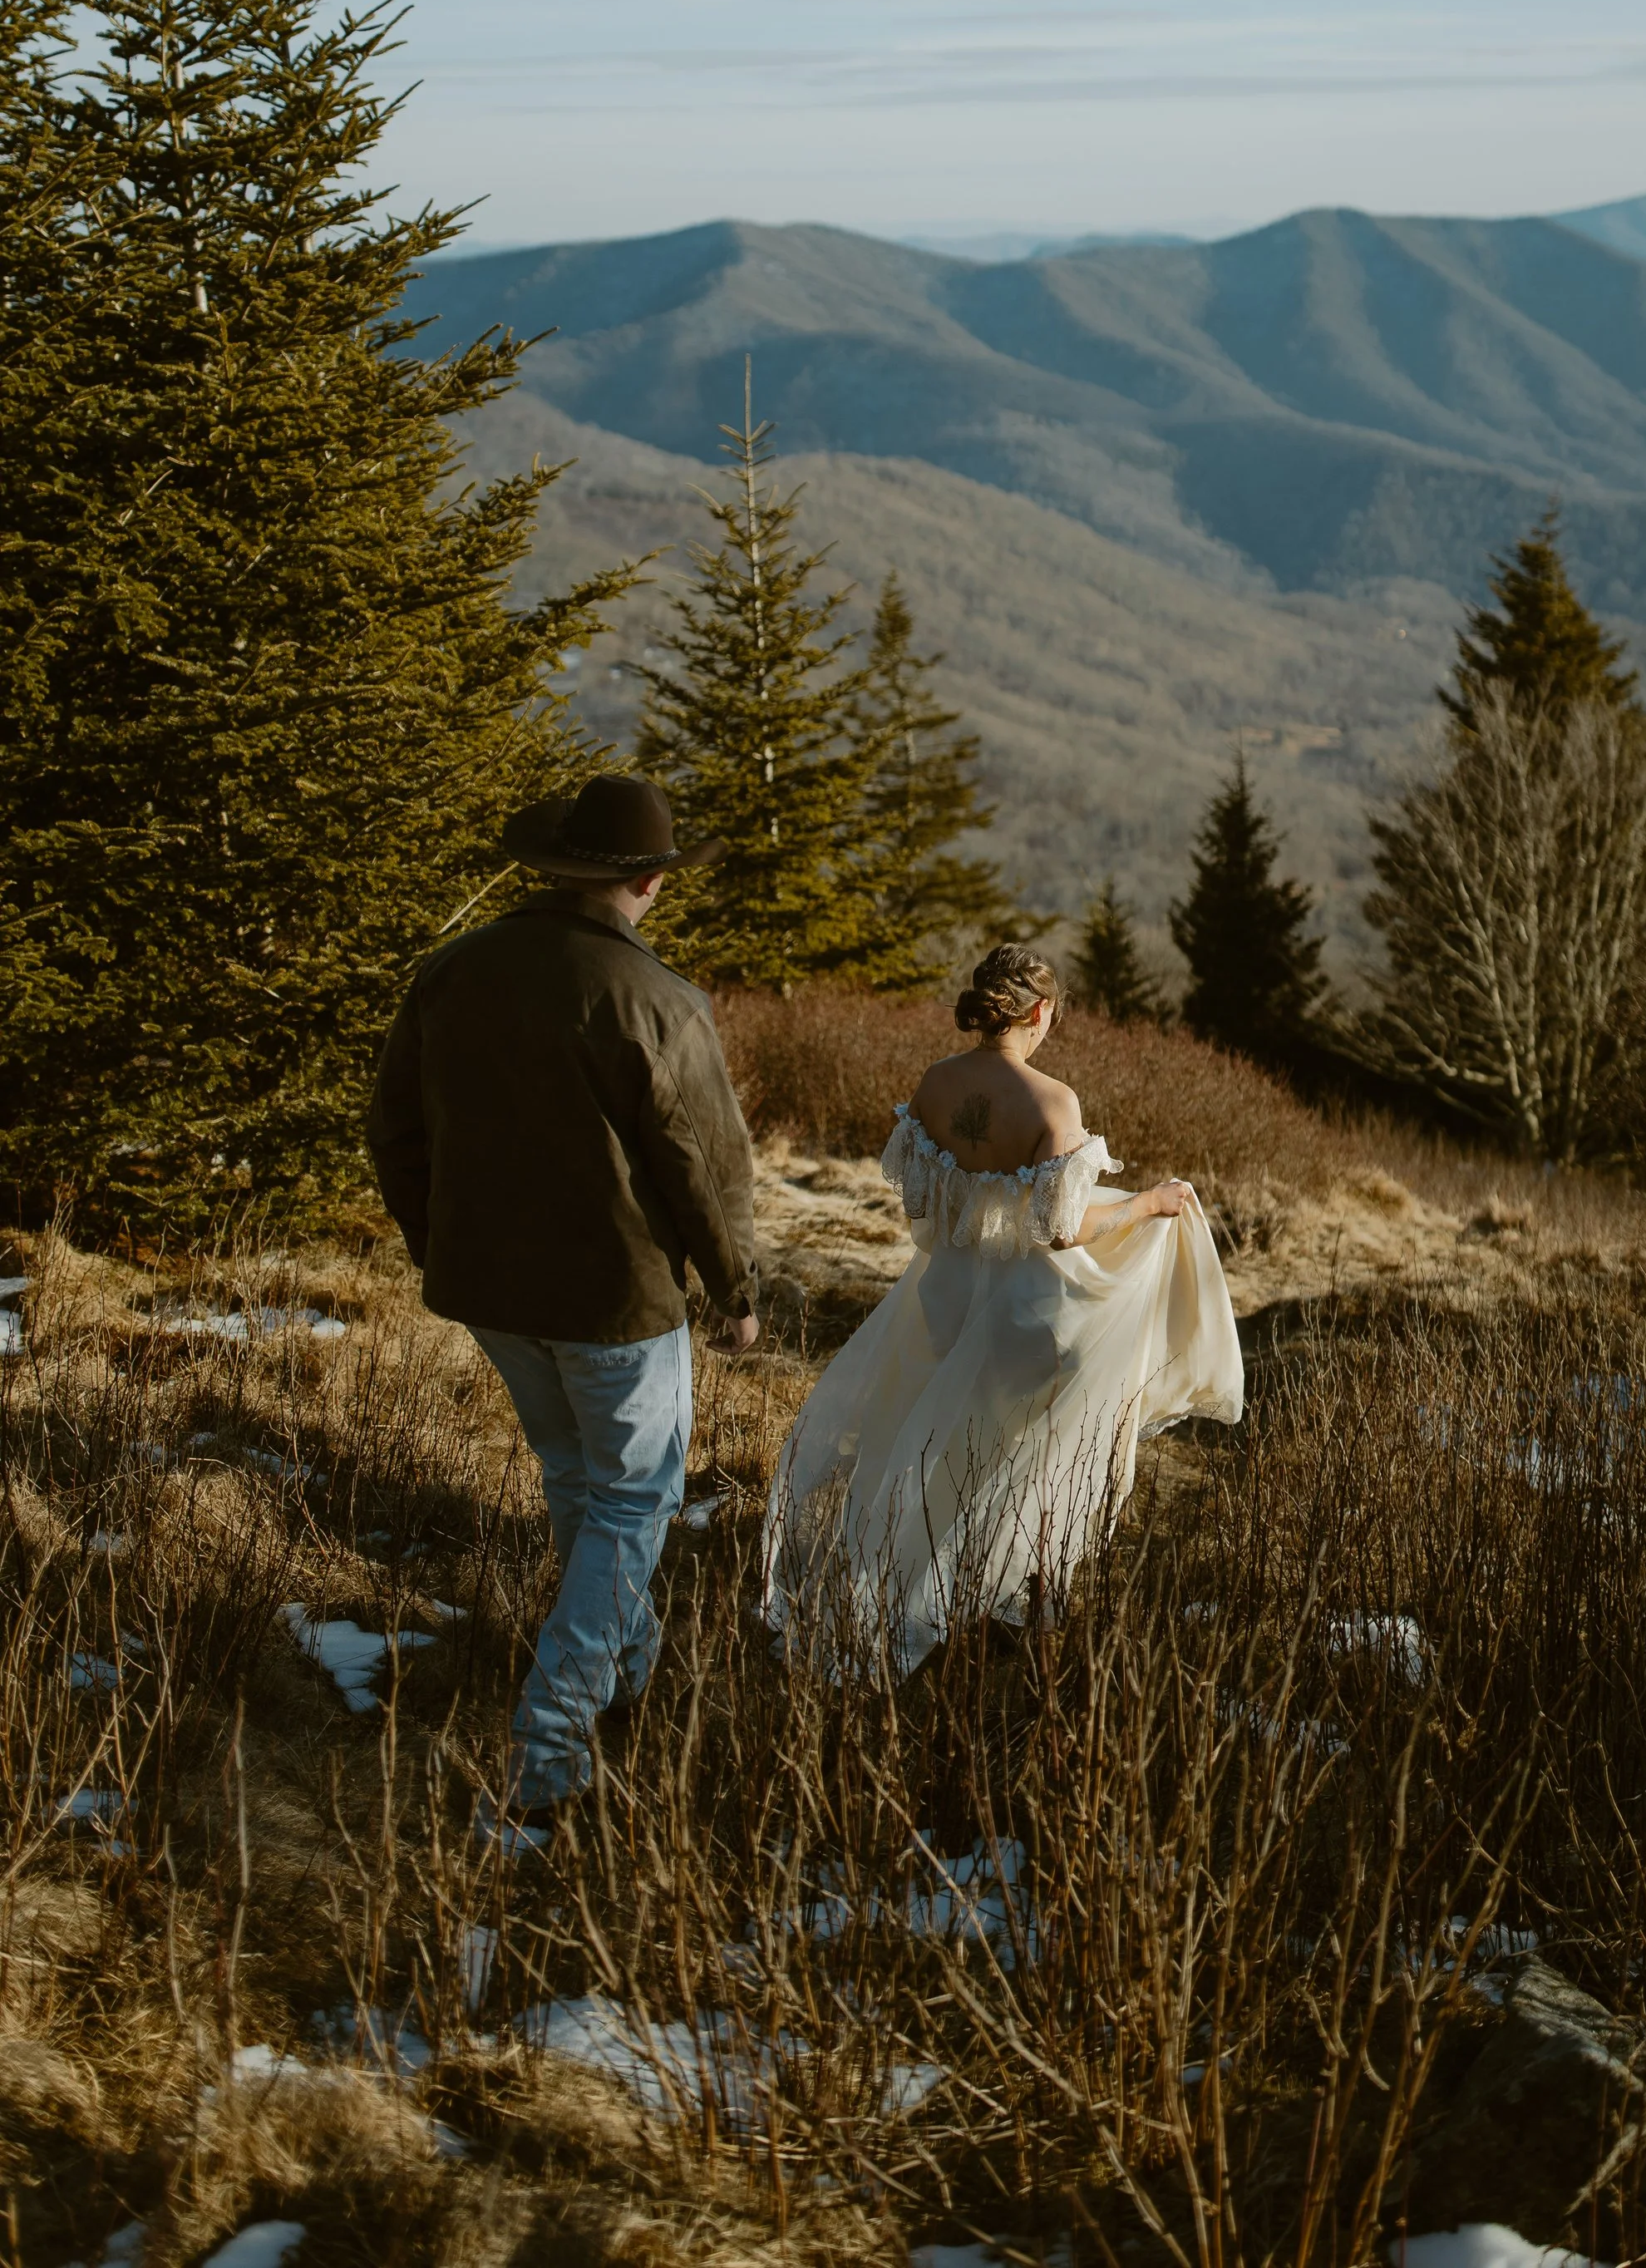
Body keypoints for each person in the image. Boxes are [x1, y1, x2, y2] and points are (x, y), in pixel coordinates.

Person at [367, 775, 759, 1840]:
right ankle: (549, 1748)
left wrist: (439, 1242)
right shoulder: (656, 999)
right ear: (651, 880)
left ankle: (628, 1672)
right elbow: (704, 1165)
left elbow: (394, 1132)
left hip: (488, 1289)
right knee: (632, 1502)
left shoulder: (453, 970)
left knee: (579, 1479)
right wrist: (735, 1290)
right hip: (617, 1298)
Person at [762, 942, 1243, 1668]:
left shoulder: (936, 1083)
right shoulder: (1054, 1101)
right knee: (1035, 1458)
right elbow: (1059, 1229)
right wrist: (1150, 1203)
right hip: (1024, 1315)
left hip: (943, 1300)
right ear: (1040, 1010)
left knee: (935, 1455)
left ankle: (920, 1590)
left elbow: (923, 1208)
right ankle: (1015, 1608)